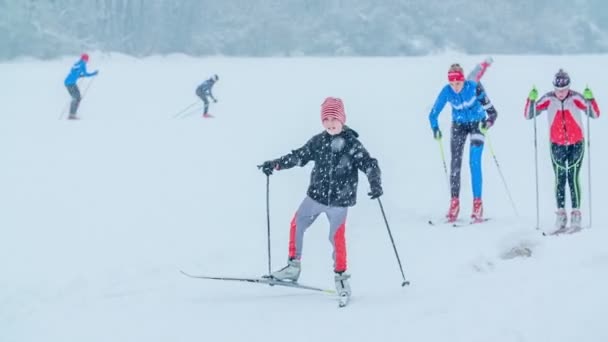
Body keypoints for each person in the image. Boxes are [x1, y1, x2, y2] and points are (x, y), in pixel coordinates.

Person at [259, 97, 382, 297]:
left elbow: (369, 164)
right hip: (315, 197)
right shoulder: (318, 141)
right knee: (297, 224)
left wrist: (375, 182)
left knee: (336, 239)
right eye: (326, 119)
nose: (330, 123)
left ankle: (341, 279)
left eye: (334, 118)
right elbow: (299, 156)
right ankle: (293, 266)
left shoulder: (351, 144)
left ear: (342, 119)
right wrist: (275, 164)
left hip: (340, 202)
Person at [524, 69, 600, 231]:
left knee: (572, 177)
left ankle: (576, 214)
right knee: (560, 178)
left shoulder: (575, 98)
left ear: (569, 87)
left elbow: (594, 114)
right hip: (557, 144)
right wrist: (531, 100)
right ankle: (561, 214)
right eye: (558, 90)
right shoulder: (549, 99)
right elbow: (529, 115)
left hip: (576, 144)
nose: (561, 93)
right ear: (554, 88)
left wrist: (590, 98)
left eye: (564, 90)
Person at [428, 63, 498, 223]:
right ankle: (454, 203)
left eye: (458, 83)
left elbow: (493, 113)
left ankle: (477, 204)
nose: (455, 87)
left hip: (477, 124)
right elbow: (433, 114)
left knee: (474, 162)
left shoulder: (474, 88)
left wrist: (487, 124)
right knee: (455, 165)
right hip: (458, 125)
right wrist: (435, 129)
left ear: (463, 80)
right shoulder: (446, 91)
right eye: (452, 84)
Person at [64, 53, 98, 120]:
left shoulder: (77, 63)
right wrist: (94, 73)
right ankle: (72, 115)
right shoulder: (83, 64)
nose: (87, 61)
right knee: (76, 98)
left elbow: (74, 73)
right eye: (87, 59)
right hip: (71, 83)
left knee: (77, 98)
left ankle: (72, 114)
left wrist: (81, 75)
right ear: (85, 59)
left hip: (68, 82)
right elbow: (86, 74)